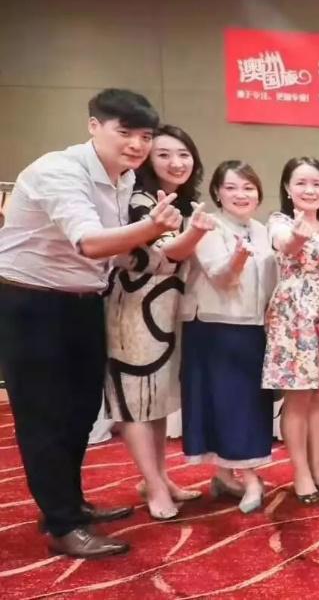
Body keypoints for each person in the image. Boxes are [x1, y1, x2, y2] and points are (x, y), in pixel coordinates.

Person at [0, 89, 177, 557]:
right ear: (94, 126)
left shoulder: (123, 178)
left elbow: (115, 253)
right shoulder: (59, 171)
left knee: (80, 411)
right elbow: (91, 243)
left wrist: (161, 251)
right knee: (44, 416)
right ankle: (63, 524)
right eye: (126, 132)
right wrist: (153, 229)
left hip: (82, 302)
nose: (137, 145)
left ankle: (68, 503)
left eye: (145, 136)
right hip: (31, 303)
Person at [104, 124, 216, 520]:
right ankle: (153, 486)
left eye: (184, 154)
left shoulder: (181, 204)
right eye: (164, 154)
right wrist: (195, 235)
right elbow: (167, 254)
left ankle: (160, 477)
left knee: (157, 399)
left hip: (166, 311)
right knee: (136, 401)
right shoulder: (139, 199)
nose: (176, 162)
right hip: (133, 310)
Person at [180, 160, 278, 514]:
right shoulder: (207, 226)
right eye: (232, 187)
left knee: (249, 405)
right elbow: (220, 277)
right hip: (214, 327)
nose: (241, 194)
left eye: (248, 187)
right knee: (225, 404)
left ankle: (224, 475)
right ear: (218, 193)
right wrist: (237, 258)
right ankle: (250, 479)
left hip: (253, 328)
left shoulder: (262, 230)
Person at [263, 157, 319, 505]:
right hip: (296, 318)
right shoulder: (280, 222)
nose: (310, 190)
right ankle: (300, 472)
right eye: (301, 183)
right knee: (298, 398)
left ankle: (318, 468)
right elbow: (285, 245)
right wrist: (297, 237)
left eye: (317, 183)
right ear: (287, 188)